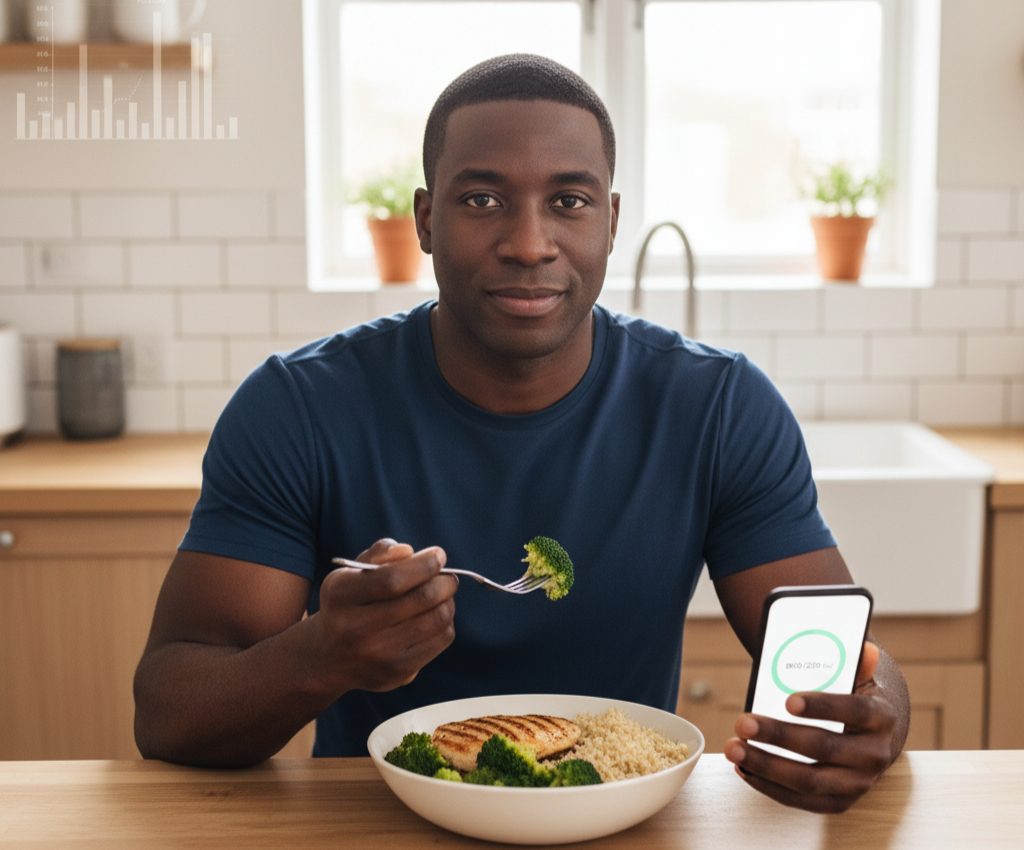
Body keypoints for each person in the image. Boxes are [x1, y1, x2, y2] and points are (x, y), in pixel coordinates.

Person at [134, 53, 908, 813]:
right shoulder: (297, 408)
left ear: (611, 220)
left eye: (569, 201)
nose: (529, 243)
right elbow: (169, 712)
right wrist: (319, 655)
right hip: (373, 827)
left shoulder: (720, 407)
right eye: (481, 200)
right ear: (427, 220)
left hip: (619, 829)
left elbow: (844, 662)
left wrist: (878, 715)